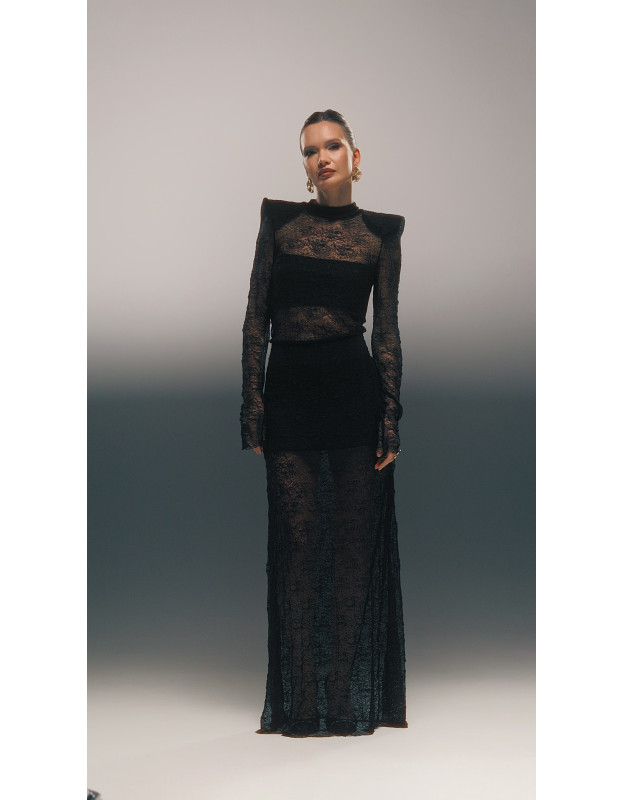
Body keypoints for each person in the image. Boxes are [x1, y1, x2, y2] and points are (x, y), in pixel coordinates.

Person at [240, 109, 407, 737]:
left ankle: (341, 697)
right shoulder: (280, 223)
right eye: (311, 151)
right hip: (289, 392)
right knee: (299, 546)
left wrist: (390, 414)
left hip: (352, 393)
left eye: (333, 146)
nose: (322, 157)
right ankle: (302, 700)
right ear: (305, 166)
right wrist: (253, 401)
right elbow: (256, 316)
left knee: (352, 552)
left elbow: (386, 331)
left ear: (354, 157)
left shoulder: (381, 234)